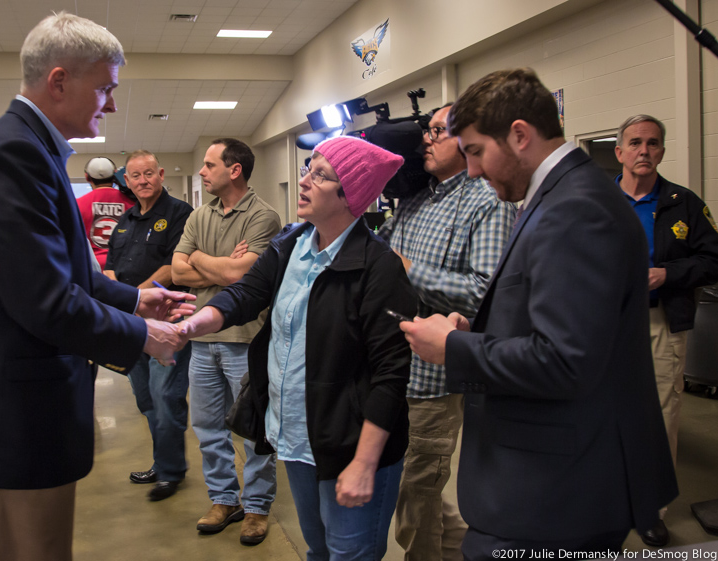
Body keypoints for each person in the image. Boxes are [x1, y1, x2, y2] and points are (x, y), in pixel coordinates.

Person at [0, 13, 195, 561]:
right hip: (9, 428)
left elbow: (62, 272)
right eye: (105, 89)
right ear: (58, 81)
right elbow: (46, 302)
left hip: (23, 420)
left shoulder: (32, 150)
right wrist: (145, 334)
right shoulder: (13, 155)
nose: (112, 105)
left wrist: (134, 297)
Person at [400, 68, 678, 560]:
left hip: (556, 487)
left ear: (520, 135)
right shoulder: (561, 197)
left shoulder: (576, 209)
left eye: (476, 152)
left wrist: (455, 349)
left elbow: (565, 359)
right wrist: (478, 328)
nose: (472, 171)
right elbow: (559, 322)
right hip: (554, 475)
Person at [174, 135, 418, 560]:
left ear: (351, 195)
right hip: (296, 435)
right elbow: (243, 294)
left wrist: (364, 463)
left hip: (350, 442)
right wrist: (191, 325)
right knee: (318, 548)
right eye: (309, 169)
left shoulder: (378, 267)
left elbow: (391, 375)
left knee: (349, 553)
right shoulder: (292, 244)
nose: (304, 181)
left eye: (320, 175)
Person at [379, 103, 515, 561]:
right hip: (391, 369)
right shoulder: (415, 202)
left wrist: (410, 270)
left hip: (433, 381)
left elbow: (485, 294)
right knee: (413, 491)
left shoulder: (488, 203)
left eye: (439, 130)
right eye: (428, 131)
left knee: (417, 495)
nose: (427, 140)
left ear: (467, 140)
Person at [614, 114, 718, 547]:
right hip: (604, 324)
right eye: (635, 142)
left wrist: (667, 275)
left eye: (653, 143)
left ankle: (651, 509)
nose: (644, 150)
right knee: (605, 413)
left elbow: (713, 259)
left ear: (661, 150)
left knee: (661, 415)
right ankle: (610, 499)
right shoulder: (597, 199)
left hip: (659, 322)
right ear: (619, 151)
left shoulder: (683, 202)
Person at [171, 137, 281, 545]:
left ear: (234, 170)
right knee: (206, 427)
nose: (202, 171)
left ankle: (256, 506)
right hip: (203, 340)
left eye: (209, 164)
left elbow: (244, 278)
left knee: (253, 429)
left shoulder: (264, 217)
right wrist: (220, 266)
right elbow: (177, 271)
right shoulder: (200, 215)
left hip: (244, 339)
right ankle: (224, 499)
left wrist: (200, 259)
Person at [105, 150, 193, 501]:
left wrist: (129, 297)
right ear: (127, 181)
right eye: (135, 176)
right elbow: (109, 269)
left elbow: (173, 268)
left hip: (167, 321)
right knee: (145, 397)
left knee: (166, 394)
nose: (143, 181)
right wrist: (121, 300)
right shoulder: (124, 222)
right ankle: (163, 462)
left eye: (149, 174)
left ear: (160, 175)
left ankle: (171, 473)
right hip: (131, 325)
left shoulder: (179, 214)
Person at [77, 156, 134, 269]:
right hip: (124, 267)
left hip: (92, 268)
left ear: (87, 177)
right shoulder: (133, 204)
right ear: (114, 176)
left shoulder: (77, 204)